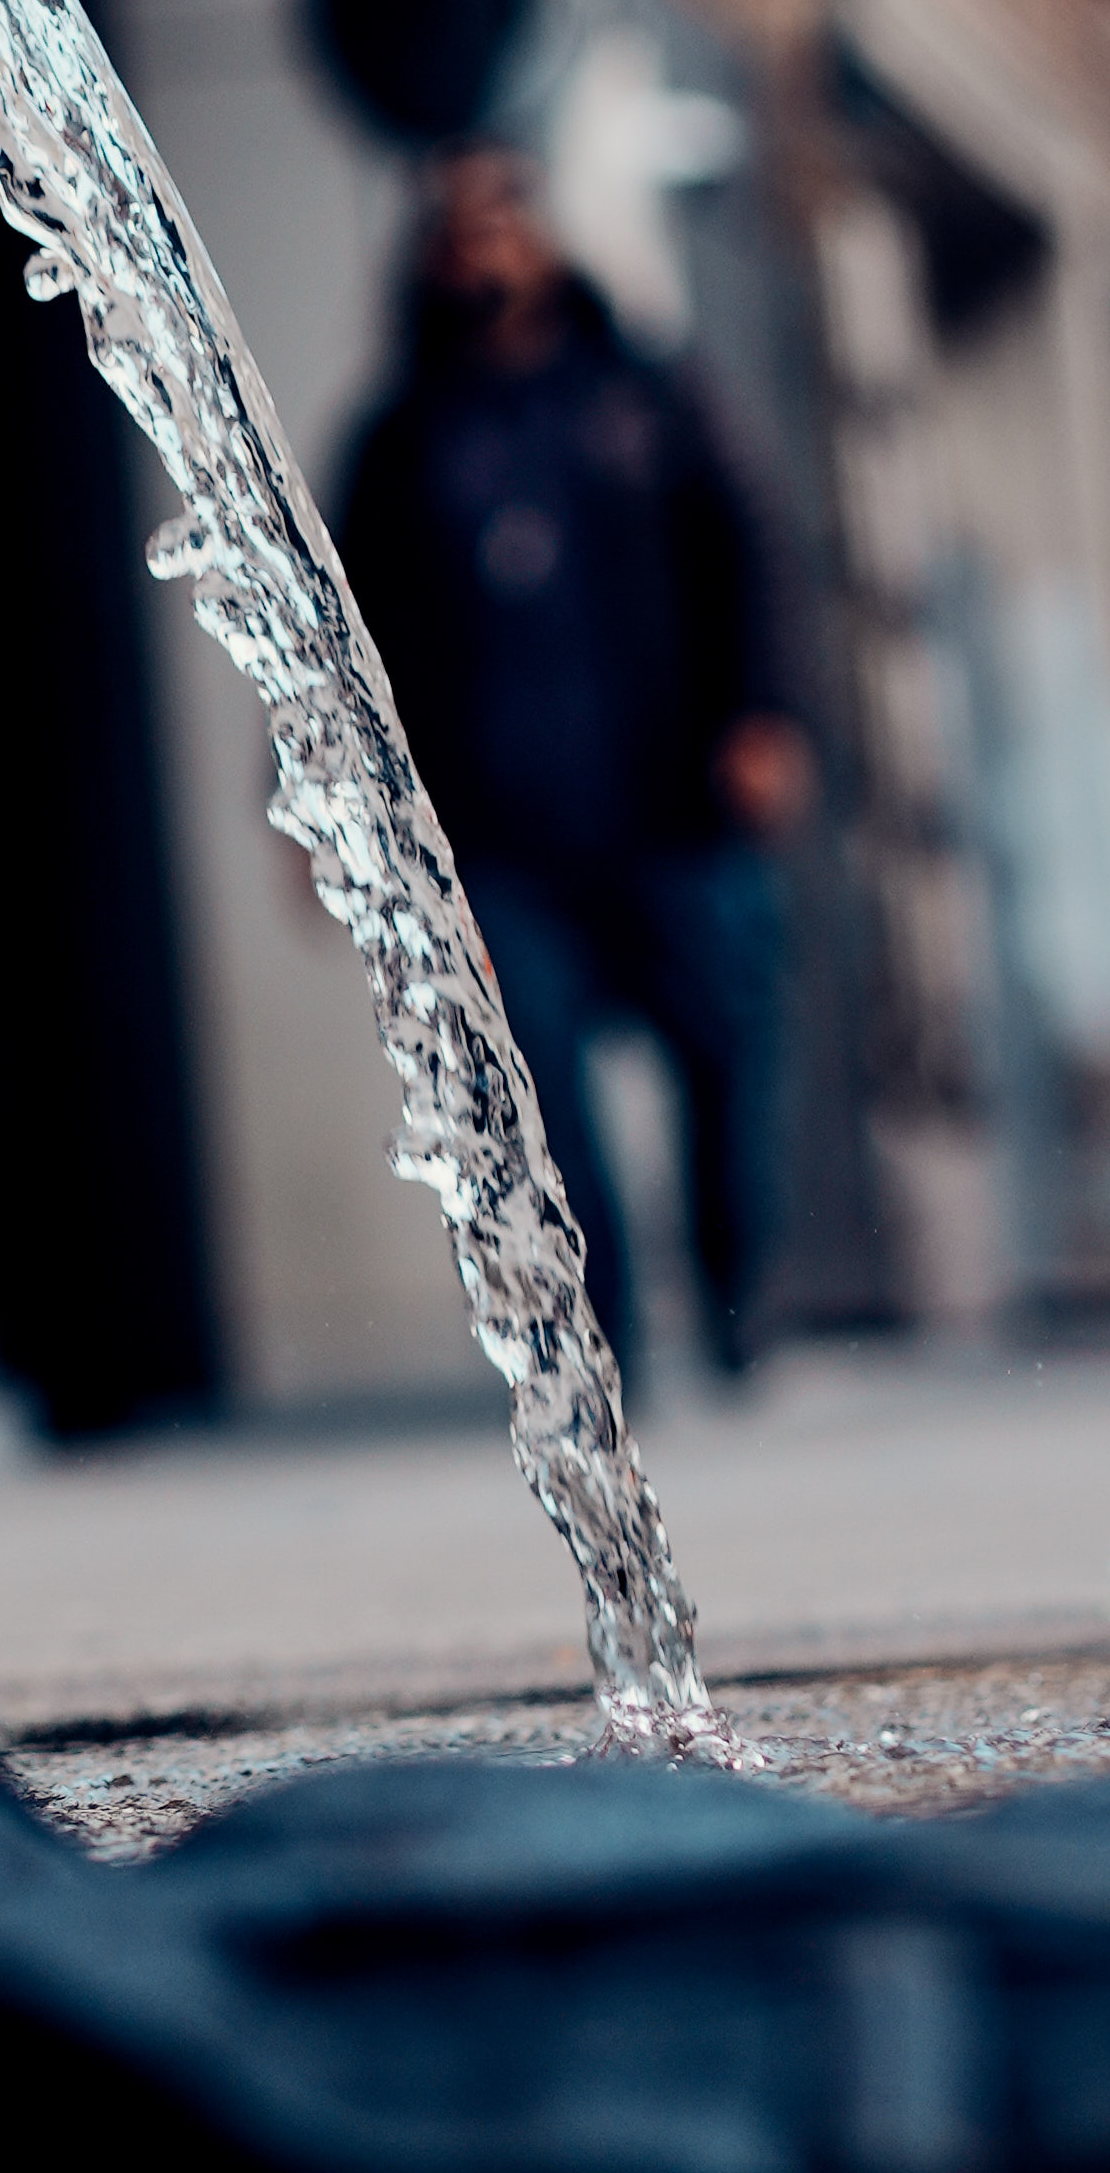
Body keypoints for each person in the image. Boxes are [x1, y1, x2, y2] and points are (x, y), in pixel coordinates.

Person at [333, 148, 811, 1383]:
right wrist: (331, 824)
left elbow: (747, 552)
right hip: (501, 837)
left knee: (724, 1066)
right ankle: (616, 1346)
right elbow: (340, 626)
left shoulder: (645, 394)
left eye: (508, 220)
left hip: (671, 811)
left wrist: (761, 715)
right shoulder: (400, 439)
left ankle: (735, 1292)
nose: (485, 248)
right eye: (460, 227)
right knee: (538, 1092)